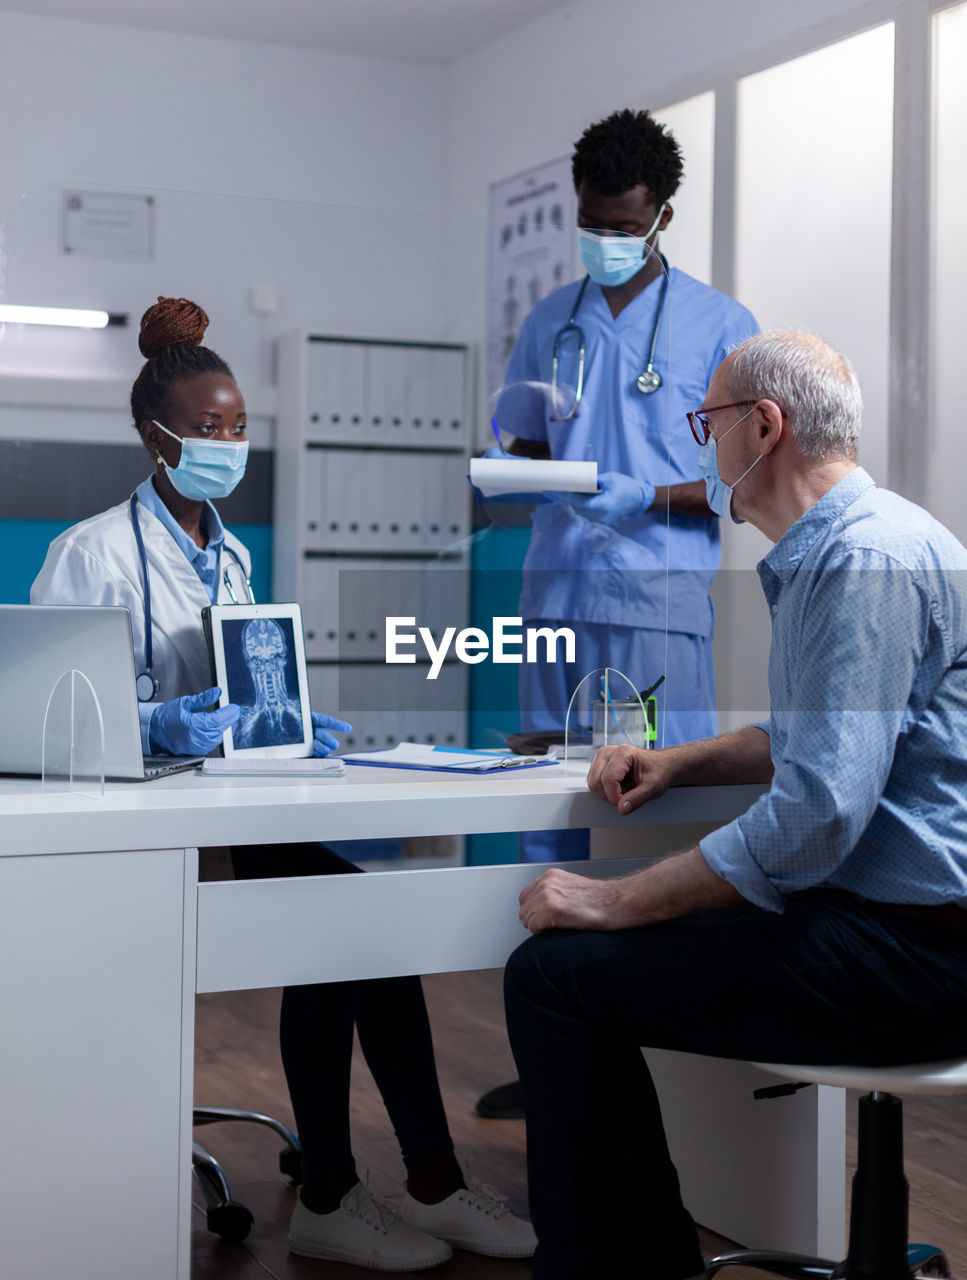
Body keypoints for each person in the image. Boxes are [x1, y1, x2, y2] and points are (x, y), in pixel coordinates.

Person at [31, 296, 535, 1272]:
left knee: (361, 921)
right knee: (343, 923)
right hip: (122, 833)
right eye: (207, 426)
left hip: (221, 810)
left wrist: (285, 720)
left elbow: (240, 671)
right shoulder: (90, 552)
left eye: (238, 425)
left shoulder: (234, 555)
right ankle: (343, 1191)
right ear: (155, 434)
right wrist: (158, 726)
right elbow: (48, 724)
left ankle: (401, 1185)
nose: (227, 442)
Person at [502, 330, 967, 1279]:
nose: (699, 447)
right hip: (897, 932)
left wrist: (613, 899)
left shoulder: (862, 564)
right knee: (587, 960)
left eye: (705, 423)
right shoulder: (854, 544)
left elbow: (819, 815)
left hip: (918, 960)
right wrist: (681, 763)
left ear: (764, 425)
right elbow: (822, 737)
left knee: (552, 977)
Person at [476, 106, 759, 1122]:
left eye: (620, 223)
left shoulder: (722, 327)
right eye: (586, 220)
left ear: (661, 216)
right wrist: (512, 469)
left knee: (647, 817)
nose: (599, 240)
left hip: (651, 604)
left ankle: (675, 1073)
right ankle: (554, 1050)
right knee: (549, 824)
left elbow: (747, 484)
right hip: (554, 593)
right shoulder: (547, 317)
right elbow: (514, 446)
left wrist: (644, 493)